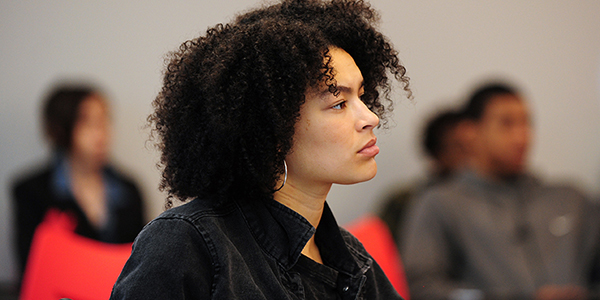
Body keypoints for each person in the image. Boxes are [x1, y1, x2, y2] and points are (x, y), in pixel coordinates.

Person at [110, 0, 412, 299]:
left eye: (361, 96)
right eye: (338, 104)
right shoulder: (188, 243)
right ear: (272, 128)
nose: (370, 118)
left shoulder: (352, 257)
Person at [401, 82, 600, 300]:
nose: (521, 136)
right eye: (506, 124)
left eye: (526, 123)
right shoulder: (441, 203)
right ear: (470, 132)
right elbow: (424, 288)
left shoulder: (571, 199)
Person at [11, 83, 146, 282]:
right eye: (88, 123)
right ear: (61, 129)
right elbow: (31, 270)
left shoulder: (129, 189)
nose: (101, 134)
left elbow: (143, 260)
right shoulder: (31, 191)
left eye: (104, 121)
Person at [379, 108, 472, 245]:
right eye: (460, 148)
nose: (470, 156)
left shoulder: (492, 196)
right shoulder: (404, 202)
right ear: (437, 153)